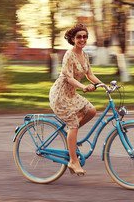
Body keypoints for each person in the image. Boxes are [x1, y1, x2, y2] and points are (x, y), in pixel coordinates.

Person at [49, 24, 103, 175]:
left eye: (85, 37)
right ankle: (73, 161)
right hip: (60, 95)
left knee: (91, 111)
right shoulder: (69, 54)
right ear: (73, 39)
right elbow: (69, 77)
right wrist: (84, 87)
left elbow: (90, 75)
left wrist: (102, 85)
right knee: (73, 124)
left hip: (71, 94)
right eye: (79, 37)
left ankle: (71, 135)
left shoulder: (84, 54)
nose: (82, 39)